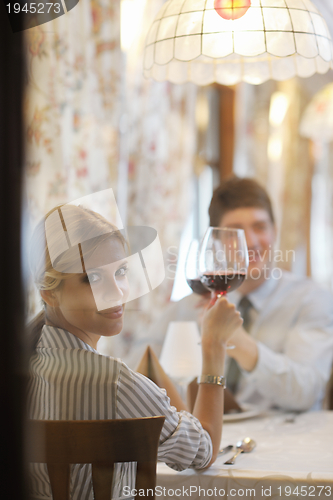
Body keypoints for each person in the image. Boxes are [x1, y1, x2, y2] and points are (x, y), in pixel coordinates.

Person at [27, 203, 242, 500]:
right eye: (93, 278)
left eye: (121, 271)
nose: (117, 292)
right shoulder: (117, 385)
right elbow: (204, 451)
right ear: (49, 291)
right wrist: (214, 346)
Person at [126, 177, 333, 412]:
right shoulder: (192, 305)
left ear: (274, 231)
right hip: (207, 439)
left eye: (260, 227)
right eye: (235, 232)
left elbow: (307, 393)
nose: (252, 242)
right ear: (216, 241)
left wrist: (239, 341)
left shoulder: (311, 300)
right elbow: (138, 368)